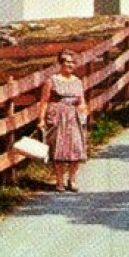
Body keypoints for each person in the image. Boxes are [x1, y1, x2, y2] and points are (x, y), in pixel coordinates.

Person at [37, 50, 90, 192]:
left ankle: (72, 180)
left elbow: (81, 101)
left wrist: (83, 111)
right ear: (60, 63)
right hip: (57, 116)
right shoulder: (52, 80)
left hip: (73, 117)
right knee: (58, 149)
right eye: (67, 61)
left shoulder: (78, 82)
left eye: (73, 62)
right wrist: (41, 119)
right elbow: (44, 101)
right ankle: (59, 181)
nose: (70, 65)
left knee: (77, 148)